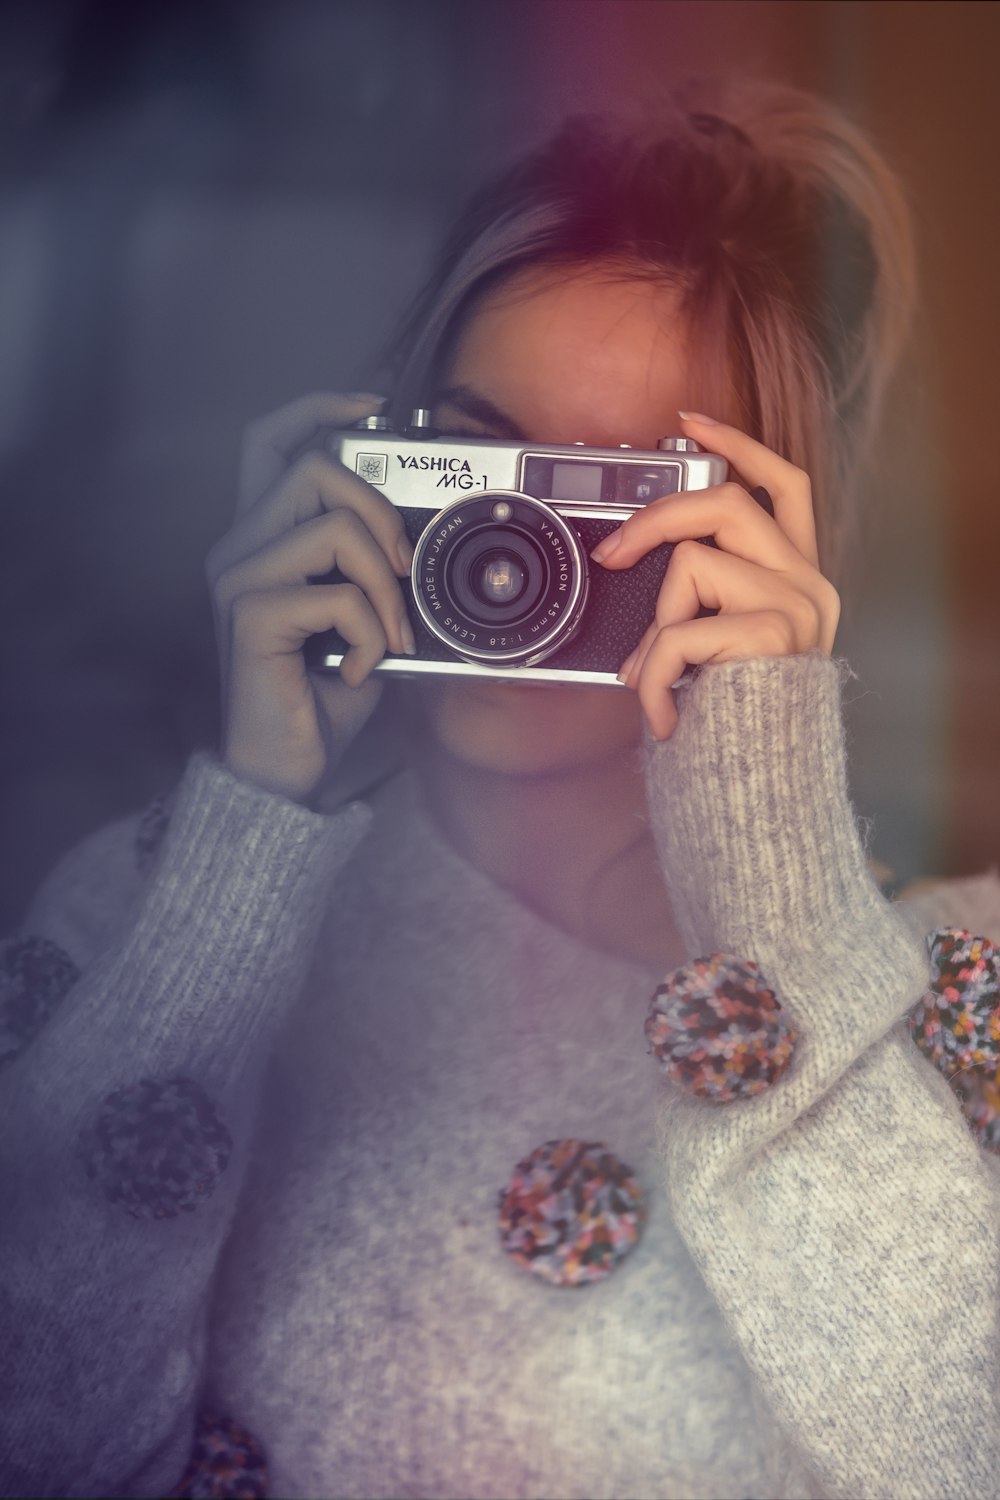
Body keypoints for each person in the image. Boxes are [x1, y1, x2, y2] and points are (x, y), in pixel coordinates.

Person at [3, 77, 999, 1500]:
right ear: (373, 464)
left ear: (774, 551)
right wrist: (246, 822)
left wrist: (777, 884)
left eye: (621, 493)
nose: (517, 554)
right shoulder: (145, 921)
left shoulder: (955, 990)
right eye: (478, 463)